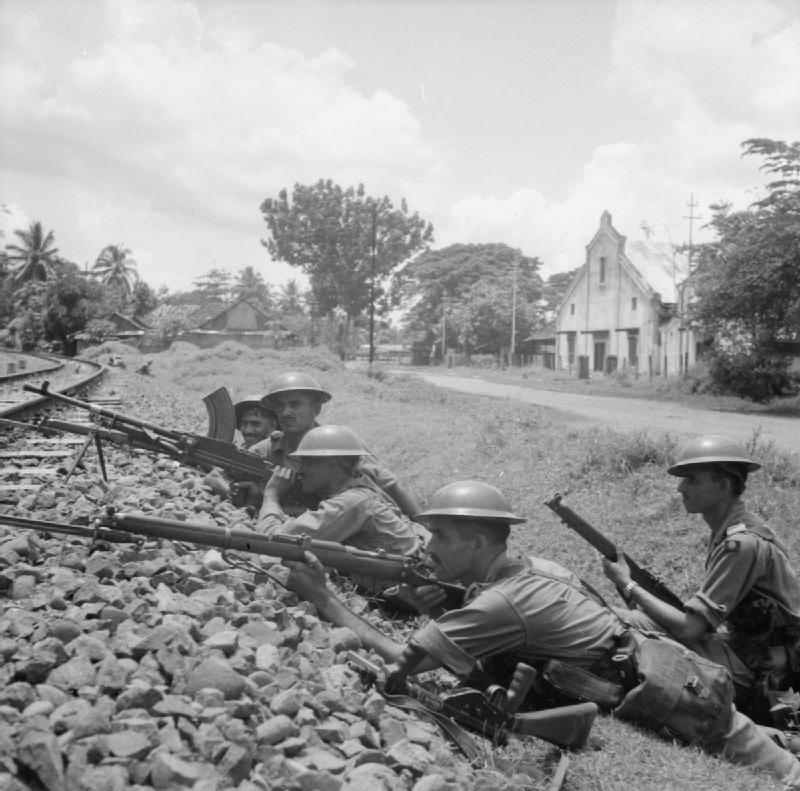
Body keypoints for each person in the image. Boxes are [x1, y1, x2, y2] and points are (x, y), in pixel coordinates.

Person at [284, 479, 800, 787]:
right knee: (757, 739)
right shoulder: (525, 571)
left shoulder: (500, 601)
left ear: (481, 541)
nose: (428, 546)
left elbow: (404, 657)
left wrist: (325, 598)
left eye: (440, 536)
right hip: (667, 673)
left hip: (676, 696)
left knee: (779, 772)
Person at [602, 434, 800, 722]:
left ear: (723, 486)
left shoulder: (741, 544)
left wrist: (628, 585)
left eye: (692, 480)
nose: (680, 487)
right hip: (743, 649)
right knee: (615, 618)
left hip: (759, 672)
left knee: (627, 633)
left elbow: (689, 629)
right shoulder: (732, 529)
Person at [259, 424, 425, 595]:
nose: (300, 470)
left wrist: (271, 495)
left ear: (332, 466)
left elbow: (274, 542)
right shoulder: (357, 494)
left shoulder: (351, 503)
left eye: (307, 463)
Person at [250, 371, 422, 518]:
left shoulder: (339, 444)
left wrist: (424, 526)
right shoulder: (266, 450)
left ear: (316, 409)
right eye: (280, 406)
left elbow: (390, 484)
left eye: (295, 404)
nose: (286, 412)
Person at [203, 393, 278, 506]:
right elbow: (211, 478)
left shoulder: (279, 453)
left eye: (255, 424)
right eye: (244, 423)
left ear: (272, 427)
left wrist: (260, 495)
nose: (248, 430)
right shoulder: (240, 450)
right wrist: (229, 490)